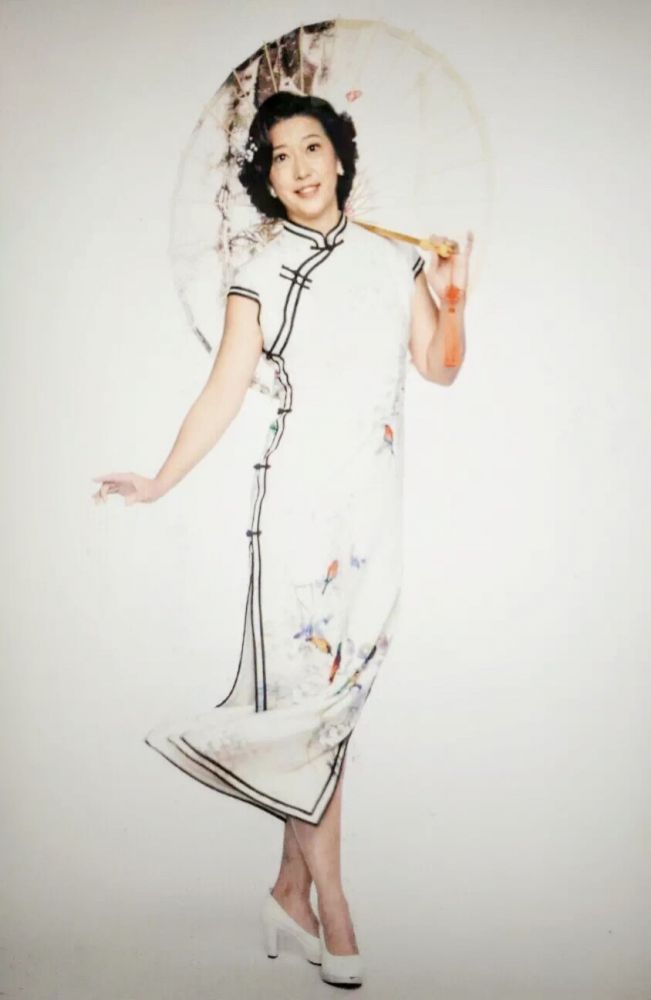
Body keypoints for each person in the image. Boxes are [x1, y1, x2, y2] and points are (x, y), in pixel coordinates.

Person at [92, 91, 473, 988]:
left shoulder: (394, 259)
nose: (298, 167)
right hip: (297, 510)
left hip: (374, 513)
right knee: (308, 703)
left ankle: (285, 892)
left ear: (338, 156)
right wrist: (160, 478)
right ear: (267, 177)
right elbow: (224, 389)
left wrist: (452, 299)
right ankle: (332, 905)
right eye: (278, 155)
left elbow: (439, 368)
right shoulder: (260, 270)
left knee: (334, 706)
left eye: (311, 147)